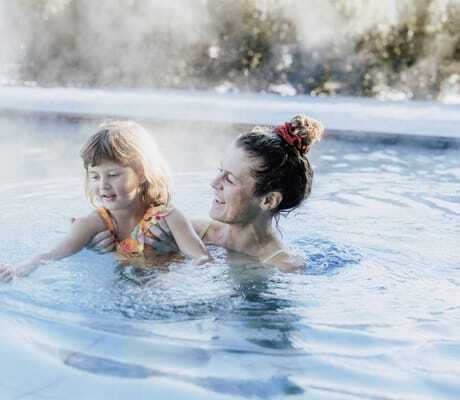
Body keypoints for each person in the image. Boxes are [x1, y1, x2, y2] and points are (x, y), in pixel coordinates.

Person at [88, 115, 324, 271]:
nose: (214, 183)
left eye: (229, 179)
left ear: (269, 200)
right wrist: (106, 246)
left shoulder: (285, 268)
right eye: (220, 171)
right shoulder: (192, 232)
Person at [0, 121, 209, 282]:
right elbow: (50, 256)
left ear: (142, 174)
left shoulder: (167, 217)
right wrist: (16, 271)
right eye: (95, 176)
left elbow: (201, 258)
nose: (103, 185)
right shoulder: (92, 224)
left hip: (161, 285)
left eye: (113, 174)